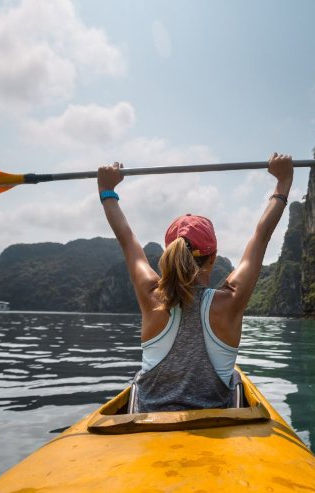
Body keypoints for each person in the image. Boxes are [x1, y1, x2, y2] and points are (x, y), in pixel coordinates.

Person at [97, 153, 293, 412]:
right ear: (213, 257)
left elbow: (127, 238)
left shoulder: (151, 296)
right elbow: (262, 236)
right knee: (234, 380)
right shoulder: (230, 300)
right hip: (214, 425)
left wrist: (107, 190)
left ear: (169, 253)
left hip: (149, 428)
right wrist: (283, 183)